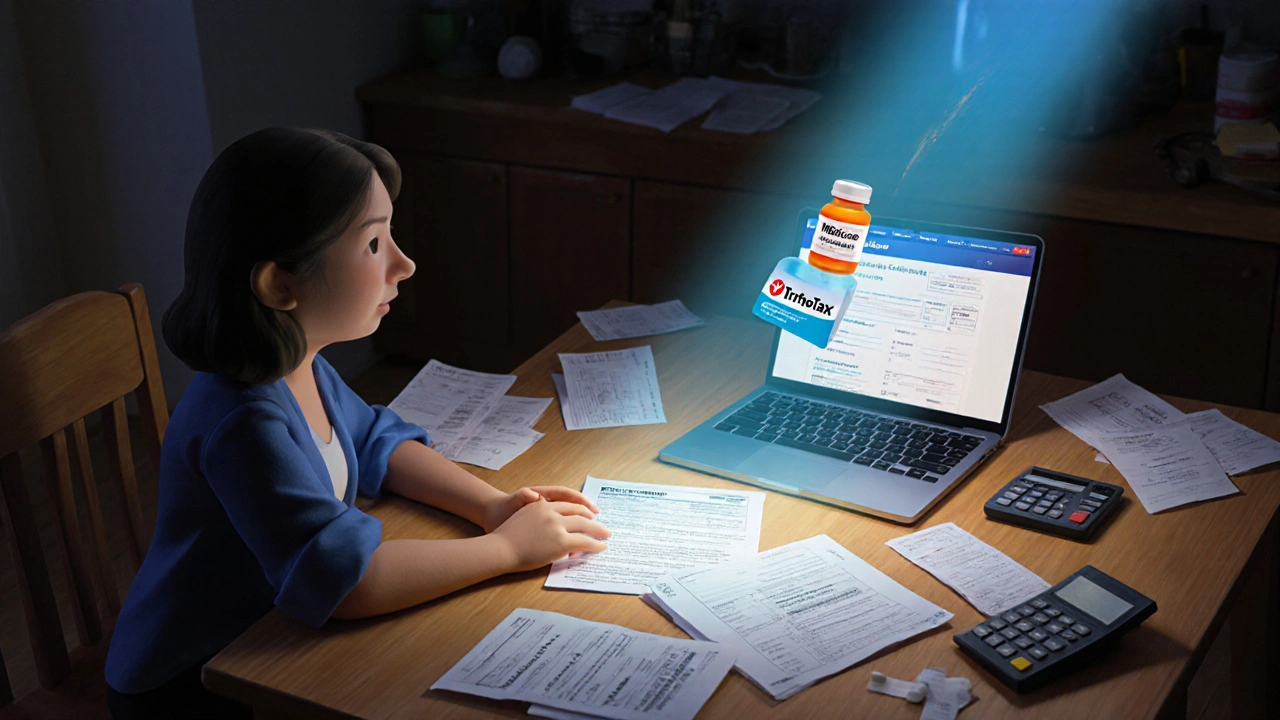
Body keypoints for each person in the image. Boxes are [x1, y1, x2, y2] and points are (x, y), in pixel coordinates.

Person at [104, 128, 610, 720]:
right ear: (280, 284)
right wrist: (503, 549)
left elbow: (379, 442)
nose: (405, 262)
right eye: (374, 245)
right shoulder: (243, 423)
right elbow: (347, 582)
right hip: (193, 678)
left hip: (269, 628)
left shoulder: (301, 367)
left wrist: (493, 506)